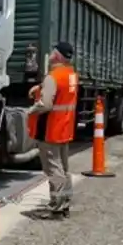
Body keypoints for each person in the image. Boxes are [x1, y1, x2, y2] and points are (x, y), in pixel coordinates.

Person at [26, 42, 78, 217]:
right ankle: (65, 204)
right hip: (64, 128)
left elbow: (46, 104)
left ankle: (56, 208)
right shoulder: (70, 75)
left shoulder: (53, 77)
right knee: (63, 168)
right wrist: (40, 88)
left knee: (53, 169)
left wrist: (29, 111)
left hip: (50, 130)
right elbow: (59, 90)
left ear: (56, 56)